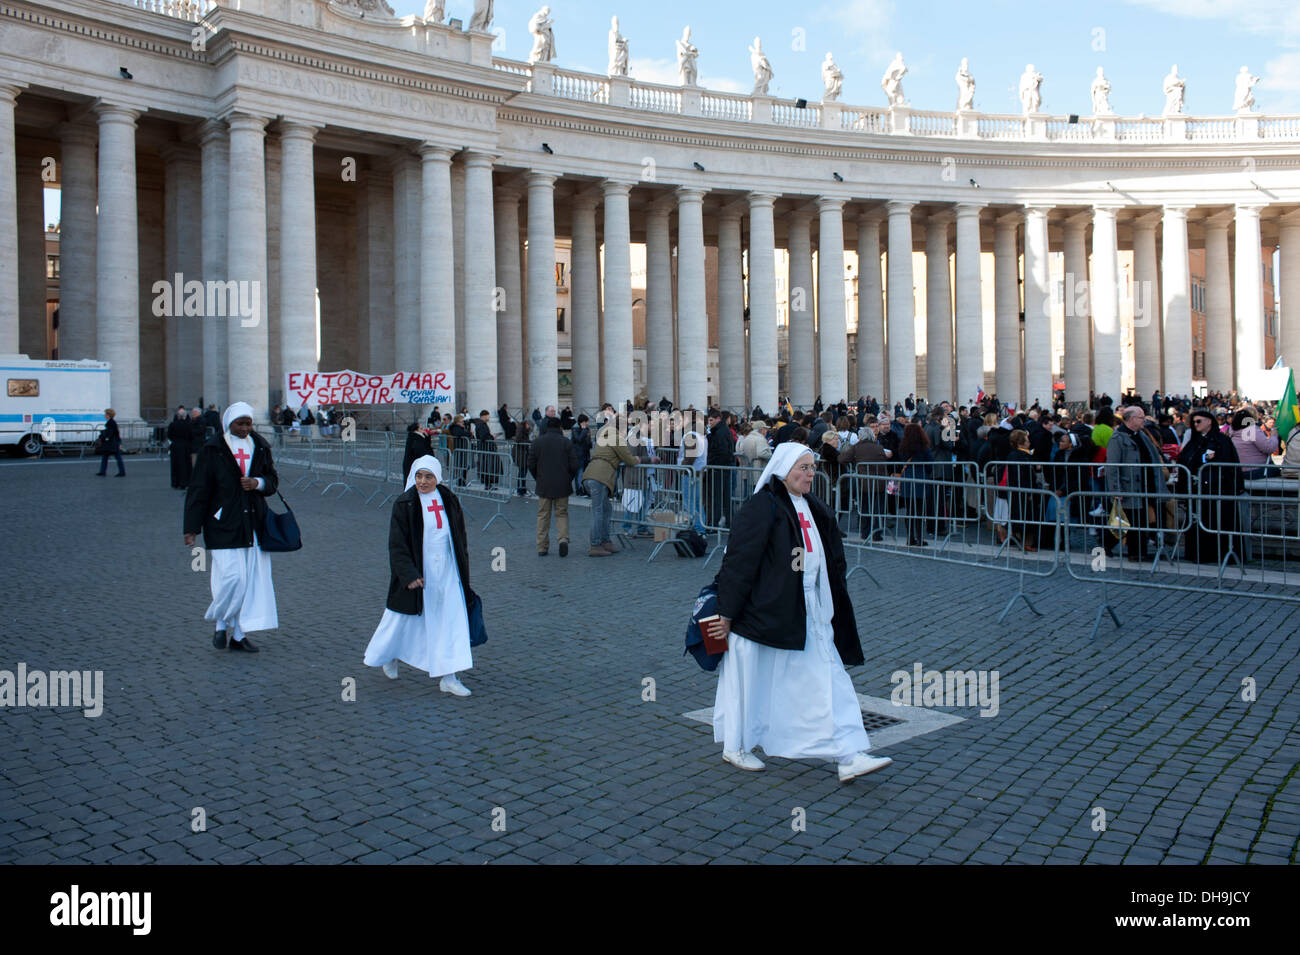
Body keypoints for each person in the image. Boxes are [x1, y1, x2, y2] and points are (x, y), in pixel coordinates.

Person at [711, 443, 892, 782]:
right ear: (782, 469)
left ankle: (849, 753)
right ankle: (735, 745)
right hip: (762, 613)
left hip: (810, 611)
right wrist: (726, 611)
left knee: (830, 679)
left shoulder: (813, 506)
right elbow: (739, 562)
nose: (811, 473)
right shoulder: (762, 507)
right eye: (804, 467)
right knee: (748, 681)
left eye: (812, 467)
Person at [363, 455, 474, 696]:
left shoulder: (448, 499)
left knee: (449, 620)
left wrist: (461, 569)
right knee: (401, 619)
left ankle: (449, 676)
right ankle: (389, 653)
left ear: (438, 477)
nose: (423, 482)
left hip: (446, 570)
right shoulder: (405, 503)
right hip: (418, 571)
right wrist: (408, 574)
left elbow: (458, 535)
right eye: (419, 476)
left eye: (429, 476)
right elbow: (397, 543)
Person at [183, 402, 279, 653]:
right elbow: (199, 489)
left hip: (253, 523)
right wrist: (191, 528)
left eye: (249, 423)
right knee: (231, 579)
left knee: (247, 582)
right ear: (229, 424)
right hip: (222, 523)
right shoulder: (212, 449)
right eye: (240, 423)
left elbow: (272, 481)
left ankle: (237, 633)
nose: (246, 428)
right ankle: (220, 622)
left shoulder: (260, 446)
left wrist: (257, 483)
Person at [1176, 408, 1243, 564]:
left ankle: (1219, 554)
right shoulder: (1194, 440)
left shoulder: (1222, 440)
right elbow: (1185, 459)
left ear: (1209, 422)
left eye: (1199, 421)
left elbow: (1227, 462)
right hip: (1196, 489)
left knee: (1217, 521)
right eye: (1193, 422)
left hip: (1216, 488)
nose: (1195, 424)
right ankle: (1198, 553)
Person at [1105, 406, 1170, 563]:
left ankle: (1139, 551)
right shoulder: (1118, 438)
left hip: (1146, 485)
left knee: (1139, 520)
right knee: (1130, 521)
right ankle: (1129, 551)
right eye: (1141, 417)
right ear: (1131, 419)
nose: (1144, 420)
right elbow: (1112, 466)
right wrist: (1115, 488)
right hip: (1129, 486)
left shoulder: (1142, 435)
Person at [582, 411, 637, 556]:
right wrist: (641, 459)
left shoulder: (605, 435)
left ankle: (605, 541)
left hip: (592, 475)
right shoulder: (616, 438)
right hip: (600, 477)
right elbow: (630, 459)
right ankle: (595, 545)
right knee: (598, 511)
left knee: (606, 510)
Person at [528, 417, 578, 557]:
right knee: (561, 513)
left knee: (543, 515)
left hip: (544, 484)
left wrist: (538, 477)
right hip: (562, 484)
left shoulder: (537, 442)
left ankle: (542, 547)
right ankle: (563, 539)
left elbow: (531, 464)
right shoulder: (566, 442)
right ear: (560, 427)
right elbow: (574, 465)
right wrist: (568, 478)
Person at [95, 408, 125, 477]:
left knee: (115, 457)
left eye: (106, 414)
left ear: (109, 415)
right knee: (107, 457)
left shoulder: (111, 423)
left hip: (112, 443)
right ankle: (103, 471)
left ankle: (121, 472)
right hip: (114, 442)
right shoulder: (112, 422)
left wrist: (104, 438)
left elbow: (110, 433)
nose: (104, 415)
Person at [167, 405, 192, 489]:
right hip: (185, 446)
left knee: (175, 465)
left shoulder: (172, 424)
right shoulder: (188, 424)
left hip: (175, 446)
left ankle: (175, 482)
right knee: (185, 465)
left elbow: (169, 435)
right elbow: (190, 435)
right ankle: (184, 482)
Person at [571, 413, 592, 495]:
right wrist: (583, 431)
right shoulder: (575, 429)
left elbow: (588, 441)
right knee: (579, 473)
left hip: (585, 453)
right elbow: (578, 439)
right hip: (578, 454)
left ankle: (585, 489)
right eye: (586, 422)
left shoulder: (586, 429)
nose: (587, 423)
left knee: (585, 473)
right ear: (582, 422)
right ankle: (579, 490)